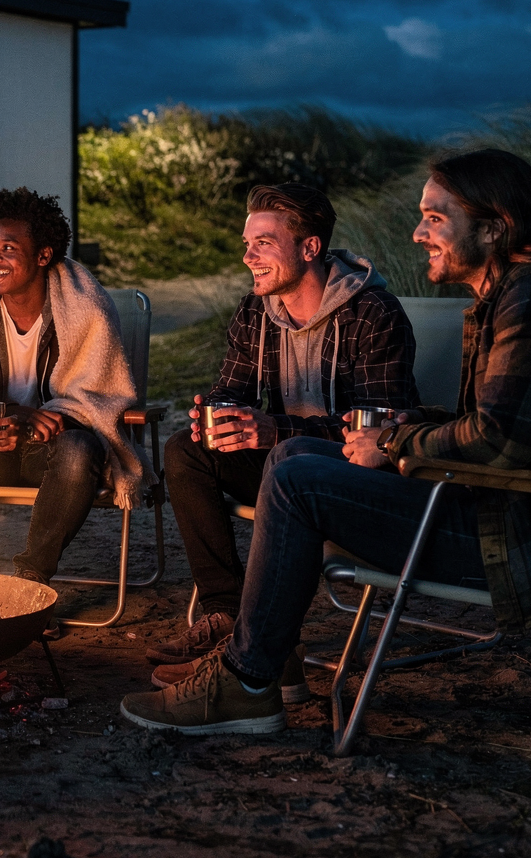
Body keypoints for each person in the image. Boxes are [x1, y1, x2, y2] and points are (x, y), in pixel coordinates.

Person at [121, 148, 531, 735]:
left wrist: (394, 442)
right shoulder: (516, 293)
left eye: (435, 217)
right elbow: (502, 427)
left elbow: (498, 441)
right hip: (502, 505)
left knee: (296, 474)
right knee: (292, 456)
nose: (418, 232)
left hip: (530, 536)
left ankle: (248, 680)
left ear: (494, 227)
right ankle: (255, 653)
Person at [153, 183, 417, 695]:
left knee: (290, 459)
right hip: (279, 468)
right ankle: (227, 614)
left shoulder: (374, 314)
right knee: (186, 450)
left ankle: (258, 657)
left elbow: (378, 431)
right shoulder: (256, 312)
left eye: (263, 243)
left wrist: (277, 429)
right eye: (247, 242)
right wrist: (215, 413)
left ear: (310, 248)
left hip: (347, 482)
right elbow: (230, 387)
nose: (247, 256)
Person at [0, 187, 154, 585]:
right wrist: (6, 417)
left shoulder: (86, 309)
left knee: (79, 449)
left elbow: (100, 400)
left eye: (8, 249)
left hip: (54, 455)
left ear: (43, 256)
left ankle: (31, 581)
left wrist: (42, 421)